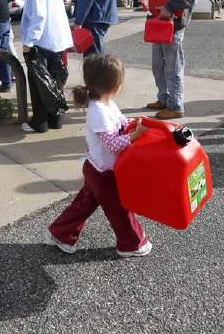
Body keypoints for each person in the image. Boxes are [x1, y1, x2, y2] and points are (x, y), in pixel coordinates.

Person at [47, 54, 152, 257]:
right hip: (104, 173)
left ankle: (61, 233)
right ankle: (131, 244)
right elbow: (112, 143)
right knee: (119, 209)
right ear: (114, 84)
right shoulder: (98, 112)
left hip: (97, 168)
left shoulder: (107, 104)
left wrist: (132, 124)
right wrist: (134, 135)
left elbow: (120, 121)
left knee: (84, 204)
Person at [17, 0, 73, 133]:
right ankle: (55, 120)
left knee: (38, 82)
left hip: (42, 39)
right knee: (54, 81)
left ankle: (39, 122)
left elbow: (39, 13)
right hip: (58, 39)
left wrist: (29, 41)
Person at [145, 0, 198, 120]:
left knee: (173, 68)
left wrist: (169, 7)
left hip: (174, 28)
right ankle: (163, 99)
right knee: (158, 66)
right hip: (158, 26)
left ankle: (176, 106)